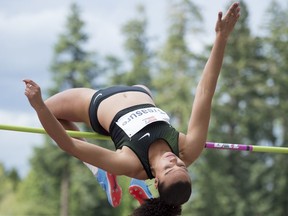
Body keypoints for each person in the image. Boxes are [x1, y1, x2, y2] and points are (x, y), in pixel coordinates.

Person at [23, 2, 240, 215]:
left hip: (96, 103)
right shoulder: (189, 148)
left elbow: (68, 144)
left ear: (156, 179)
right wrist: (221, 38)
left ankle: (100, 171)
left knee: (50, 110)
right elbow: (205, 93)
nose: (174, 161)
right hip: (141, 92)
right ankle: (133, 182)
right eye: (182, 167)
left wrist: (39, 106)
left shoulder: (128, 161)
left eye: (168, 169)